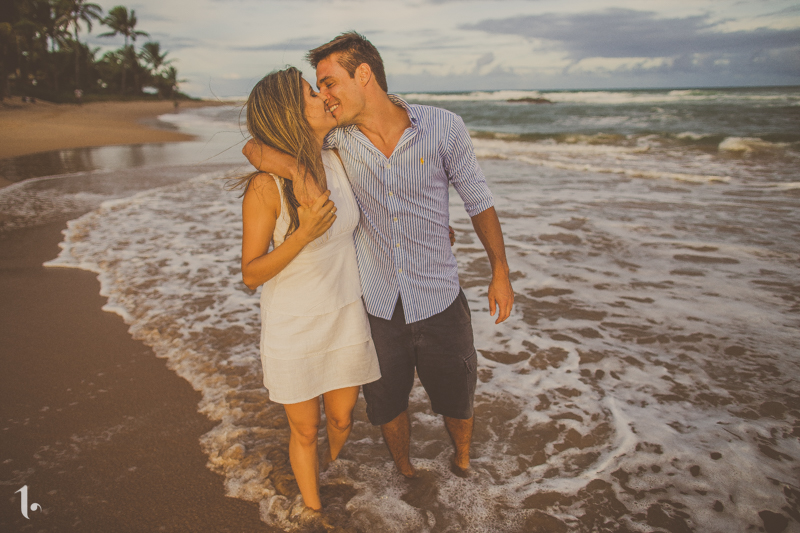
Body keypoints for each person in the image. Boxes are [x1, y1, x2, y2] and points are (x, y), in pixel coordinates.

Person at [243, 32, 514, 479]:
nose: (325, 96)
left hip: (440, 295)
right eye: (319, 88)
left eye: (328, 83)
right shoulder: (338, 142)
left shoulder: (445, 127)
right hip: (377, 303)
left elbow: (478, 200)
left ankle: (462, 461)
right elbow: (254, 147)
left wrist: (499, 272)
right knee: (387, 401)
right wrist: (295, 170)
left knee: (457, 395)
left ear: (363, 73)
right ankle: (405, 470)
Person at [233, 67, 381, 512]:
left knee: (341, 418)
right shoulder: (265, 186)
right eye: (310, 94)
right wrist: (301, 235)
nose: (322, 96)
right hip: (293, 326)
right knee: (304, 430)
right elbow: (251, 274)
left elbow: (253, 145)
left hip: (345, 313)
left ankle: (332, 466)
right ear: (289, 114)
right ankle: (314, 510)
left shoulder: (338, 158)